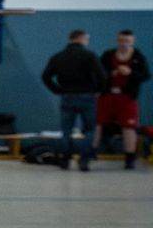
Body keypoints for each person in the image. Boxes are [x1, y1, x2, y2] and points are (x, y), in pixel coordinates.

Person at [41, 29, 106, 172]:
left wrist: (57, 90)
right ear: (82, 39)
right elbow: (102, 75)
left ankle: (65, 160)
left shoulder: (58, 57)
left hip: (67, 96)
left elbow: (46, 77)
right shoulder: (89, 55)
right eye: (86, 39)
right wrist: (98, 90)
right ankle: (84, 160)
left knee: (66, 130)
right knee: (89, 130)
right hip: (87, 96)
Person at [93, 30, 149, 169]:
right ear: (117, 41)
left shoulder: (138, 57)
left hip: (127, 97)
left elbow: (146, 75)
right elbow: (98, 73)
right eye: (121, 41)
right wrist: (111, 74)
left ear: (132, 41)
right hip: (107, 95)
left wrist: (131, 72)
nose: (124, 44)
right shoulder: (108, 55)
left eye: (127, 41)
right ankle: (90, 153)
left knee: (129, 127)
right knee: (98, 124)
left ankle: (129, 159)